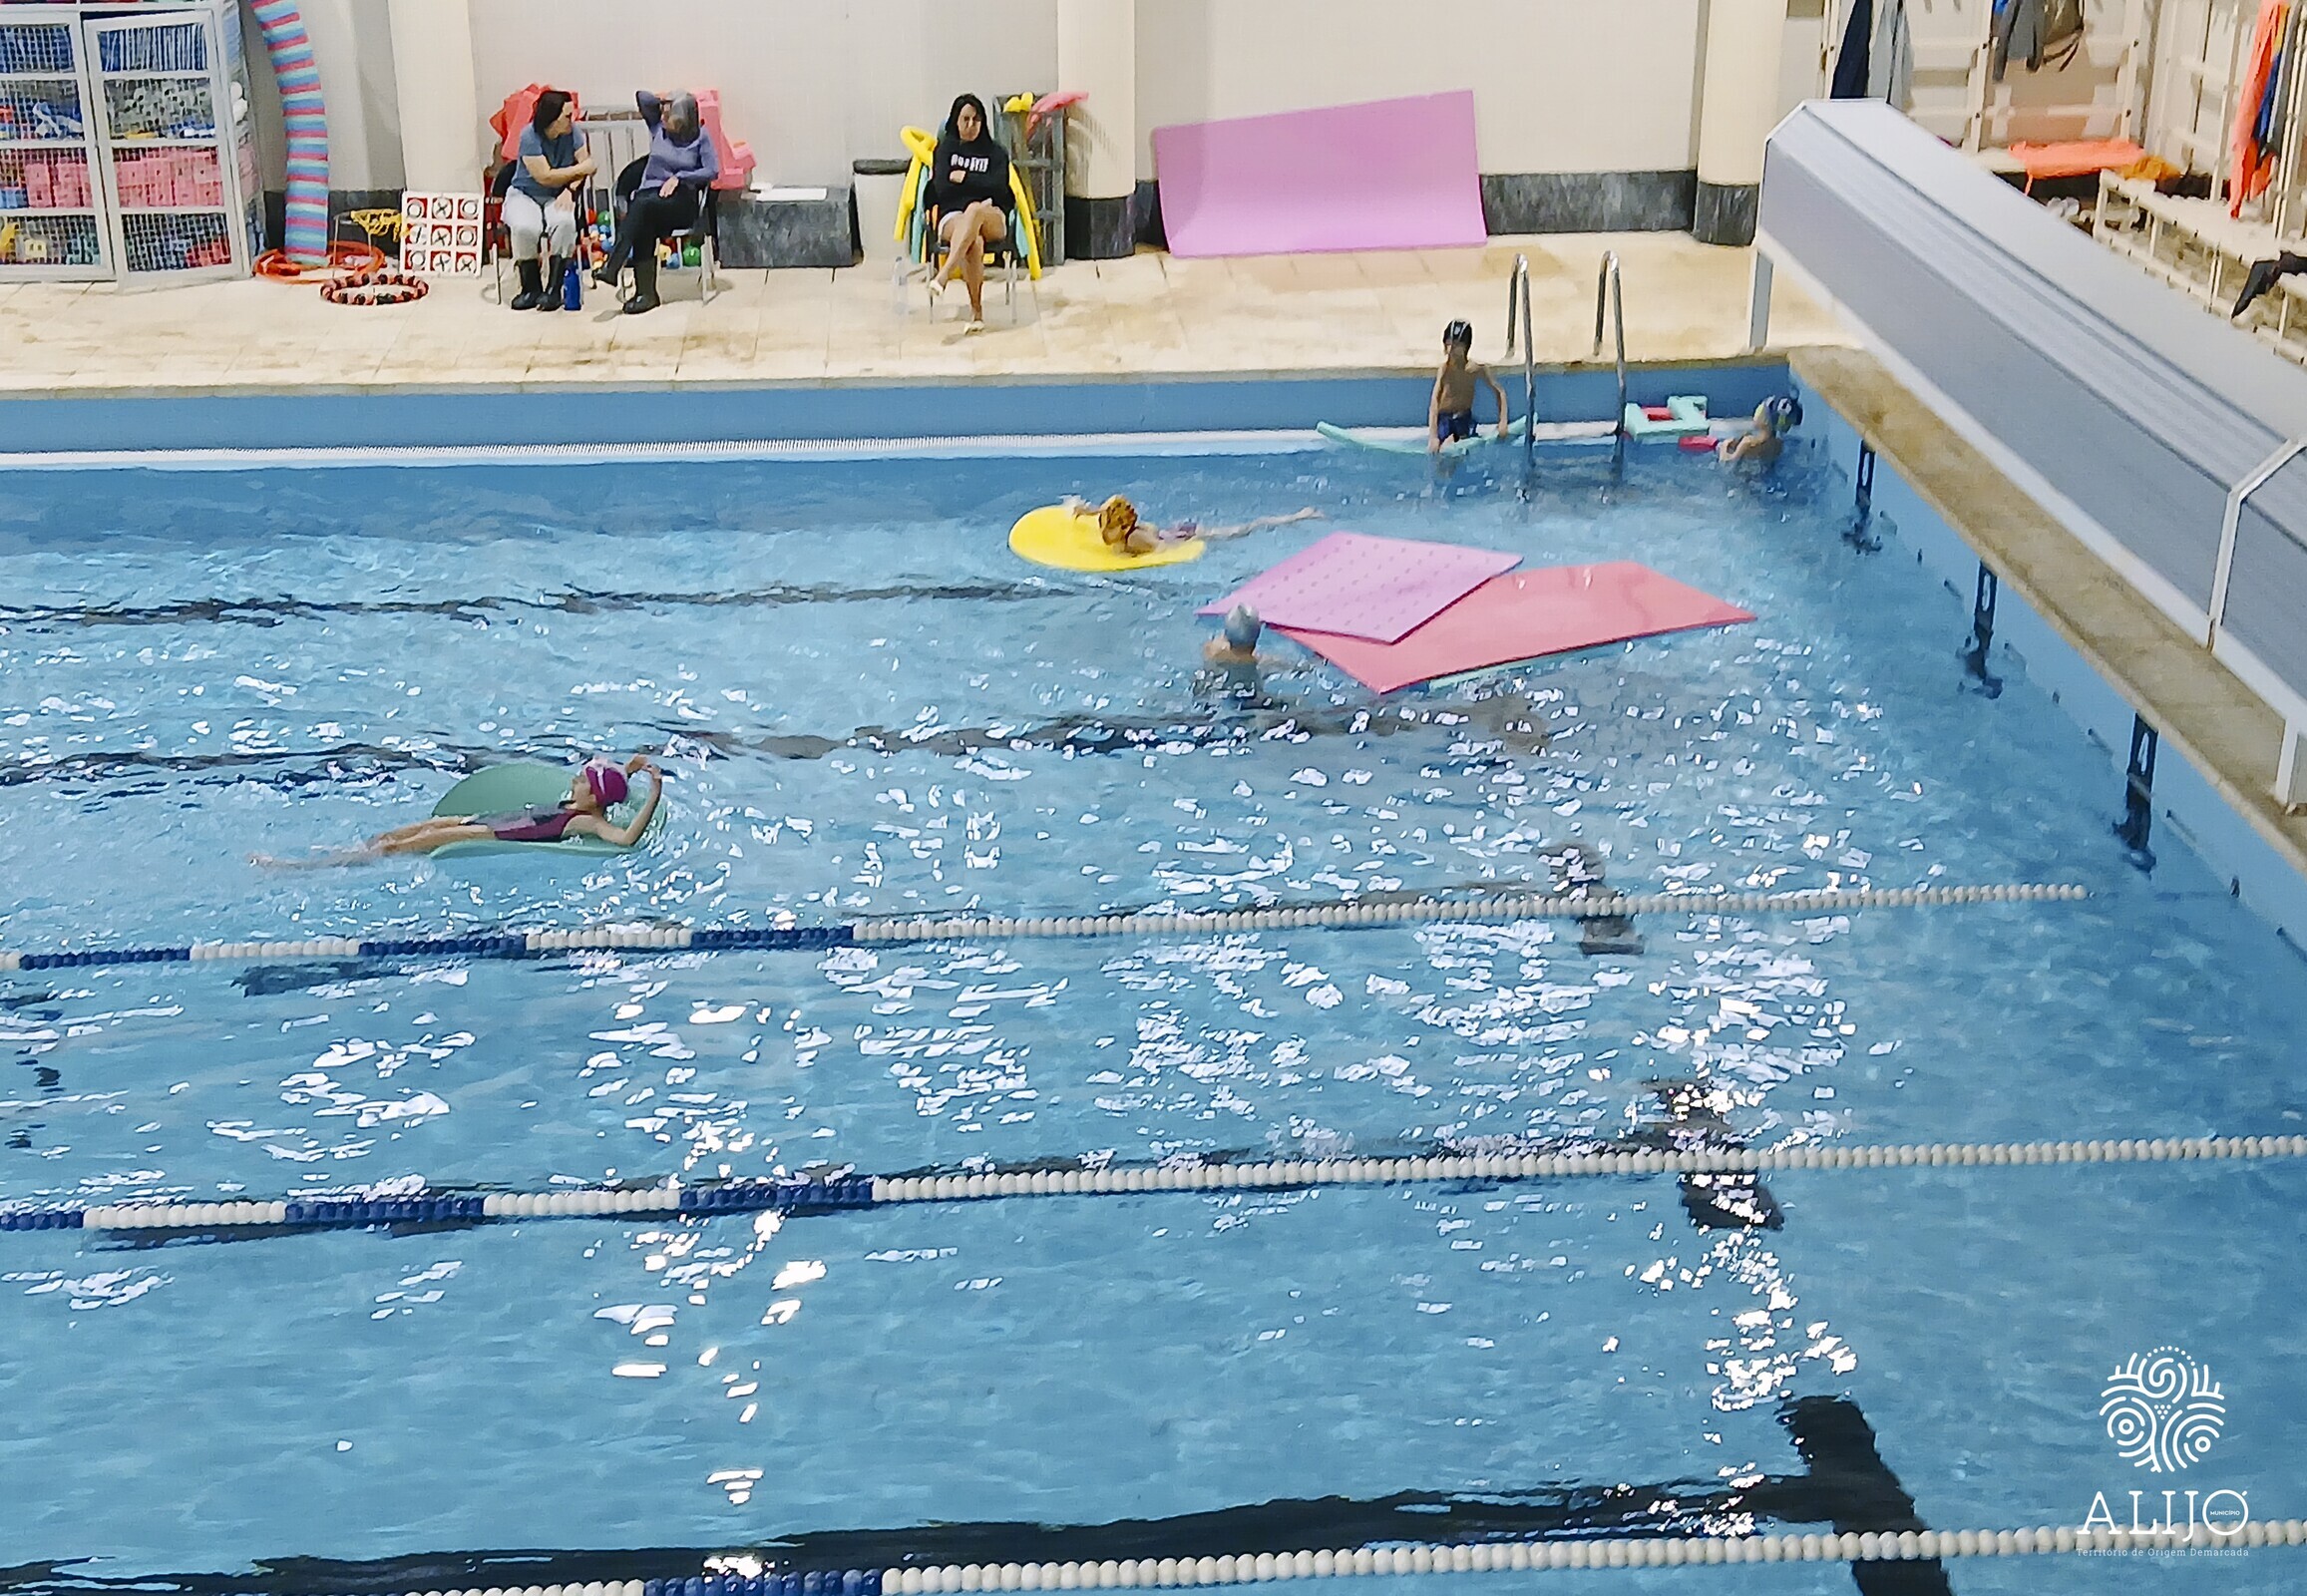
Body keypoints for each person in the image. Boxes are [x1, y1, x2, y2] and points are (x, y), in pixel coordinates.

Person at [254, 756, 663, 867]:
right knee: (396, 835)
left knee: (400, 848)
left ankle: (300, 867)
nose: (573, 781)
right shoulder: (584, 802)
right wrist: (630, 769)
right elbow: (610, 789)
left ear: (594, 796)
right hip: (485, 821)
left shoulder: (587, 820)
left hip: (486, 835)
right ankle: (341, 853)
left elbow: (626, 838)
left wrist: (654, 794)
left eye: (582, 780)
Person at [591, 91, 719, 315]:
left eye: (668, 116)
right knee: (643, 218)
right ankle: (646, 295)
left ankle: (613, 265)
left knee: (641, 206)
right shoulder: (659, 129)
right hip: (651, 200)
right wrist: (667, 101)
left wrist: (680, 177)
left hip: (681, 201)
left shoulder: (701, 137)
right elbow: (643, 98)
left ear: (682, 118)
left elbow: (712, 170)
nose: (662, 118)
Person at [926, 94, 1013, 331]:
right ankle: (977, 314)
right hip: (953, 217)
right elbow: (941, 188)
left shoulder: (996, 153)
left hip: (992, 216)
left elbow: (999, 187)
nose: (971, 125)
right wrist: (981, 184)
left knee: (975, 209)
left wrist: (964, 178)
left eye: (976, 120)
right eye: (965, 119)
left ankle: (944, 275)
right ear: (955, 120)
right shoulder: (945, 151)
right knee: (974, 241)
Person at [505, 90, 595, 311]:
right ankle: (530, 288)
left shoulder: (573, 133)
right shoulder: (529, 136)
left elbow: (585, 165)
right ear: (552, 117)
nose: (571, 120)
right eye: (567, 115)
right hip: (525, 193)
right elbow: (544, 176)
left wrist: (570, 189)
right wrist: (579, 169)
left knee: (565, 223)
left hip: (559, 194)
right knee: (525, 227)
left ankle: (555, 289)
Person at [1060, 495, 1322, 559]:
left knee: (1244, 529)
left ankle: (1299, 517)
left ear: (1121, 526)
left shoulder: (1134, 540)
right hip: (1174, 529)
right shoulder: (1120, 528)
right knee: (1243, 528)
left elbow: (1163, 549)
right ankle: (1298, 516)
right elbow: (1105, 511)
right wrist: (1084, 510)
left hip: (1185, 536)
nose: (1102, 528)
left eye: (1106, 524)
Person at [1429, 320, 1511, 453]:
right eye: (1448, 344)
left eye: (1455, 345)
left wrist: (1503, 421)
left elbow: (1499, 392)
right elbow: (1434, 403)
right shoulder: (1445, 370)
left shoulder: (1475, 369)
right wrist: (1433, 436)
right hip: (1445, 419)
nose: (1450, 349)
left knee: (1452, 446)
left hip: (1463, 419)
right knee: (1442, 451)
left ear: (1465, 347)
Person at [1718, 394, 1803, 465]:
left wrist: (1723, 446)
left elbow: (1726, 464)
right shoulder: (1778, 446)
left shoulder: (1747, 443)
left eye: (1760, 410)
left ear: (1765, 420)